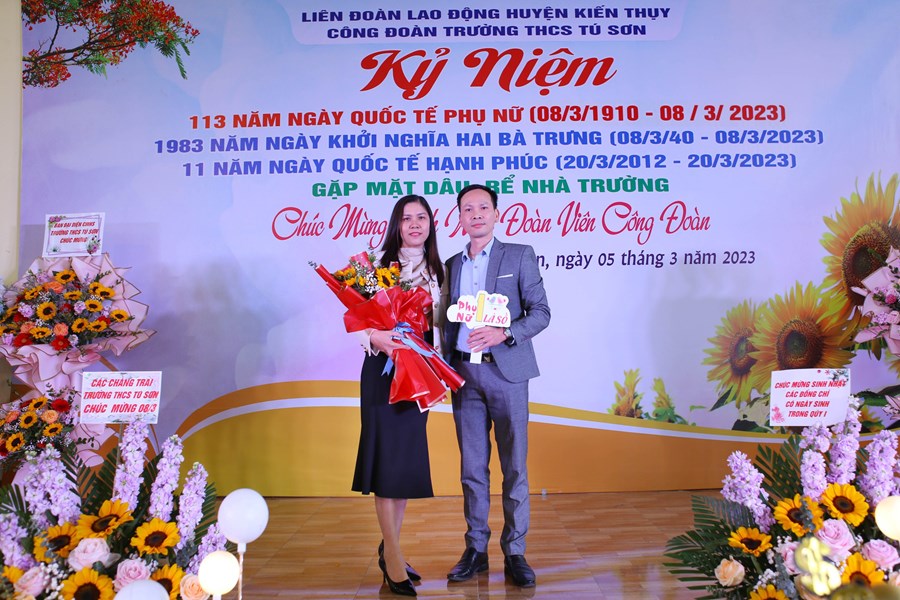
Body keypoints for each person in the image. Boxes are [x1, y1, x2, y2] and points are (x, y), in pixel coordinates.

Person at [442, 184, 551, 588]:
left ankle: (515, 552)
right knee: (472, 470)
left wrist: (503, 333)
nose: (476, 215)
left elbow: (541, 312)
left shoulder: (519, 255)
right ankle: (475, 549)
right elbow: (444, 318)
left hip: (507, 374)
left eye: (483, 208)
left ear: (496, 214)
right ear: (459, 217)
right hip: (463, 376)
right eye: (467, 209)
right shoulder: (451, 264)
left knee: (514, 467)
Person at [352, 194, 445, 597]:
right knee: (386, 464)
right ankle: (393, 556)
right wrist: (376, 337)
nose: (414, 224)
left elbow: (441, 326)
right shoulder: (374, 266)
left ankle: (390, 547)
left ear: (430, 225)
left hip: (419, 375)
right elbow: (355, 318)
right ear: (396, 224)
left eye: (421, 217)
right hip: (383, 371)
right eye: (407, 218)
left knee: (402, 466)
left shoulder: (441, 270)